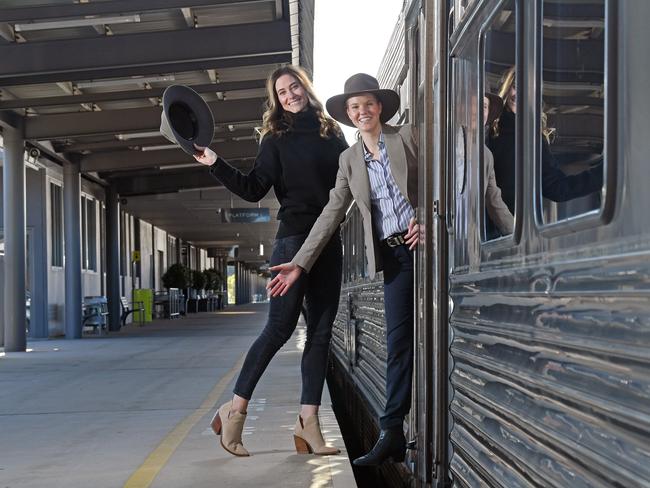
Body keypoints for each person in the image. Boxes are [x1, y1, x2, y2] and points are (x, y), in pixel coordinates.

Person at [193, 65, 348, 457]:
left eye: (295, 86)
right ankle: (235, 412)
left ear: (306, 88)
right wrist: (214, 161)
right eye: (282, 92)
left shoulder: (333, 133)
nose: (291, 94)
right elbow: (252, 188)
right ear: (276, 100)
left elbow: (351, 184)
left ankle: (307, 425)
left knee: (321, 336)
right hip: (293, 242)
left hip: (328, 242)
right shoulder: (274, 139)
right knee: (278, 329)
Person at [267, 73, 419, 466]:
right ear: (349, 117)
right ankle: (392, 433)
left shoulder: (410, 138)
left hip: (429, 250)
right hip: (394, 258)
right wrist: (300, 263)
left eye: (367, 104)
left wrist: (432, 217)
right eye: (354, 108)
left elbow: (446, 179)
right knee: (398, 341)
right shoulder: (349, 161)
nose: (362, 111)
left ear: (379, 107)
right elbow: (331, 213)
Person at [488, 67, 603, 214]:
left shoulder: (534, 139)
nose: (518, 95)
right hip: (486, 223)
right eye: (516, 87)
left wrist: (604, 173)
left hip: (510, 228)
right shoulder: (488, 127)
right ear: (507, 88)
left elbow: (557, 189)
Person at [483, 93, 514, 236]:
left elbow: (494, 200)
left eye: (483, 107)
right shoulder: (443, 141)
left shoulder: (485, 155)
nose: (476, 111)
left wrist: (517, 237)